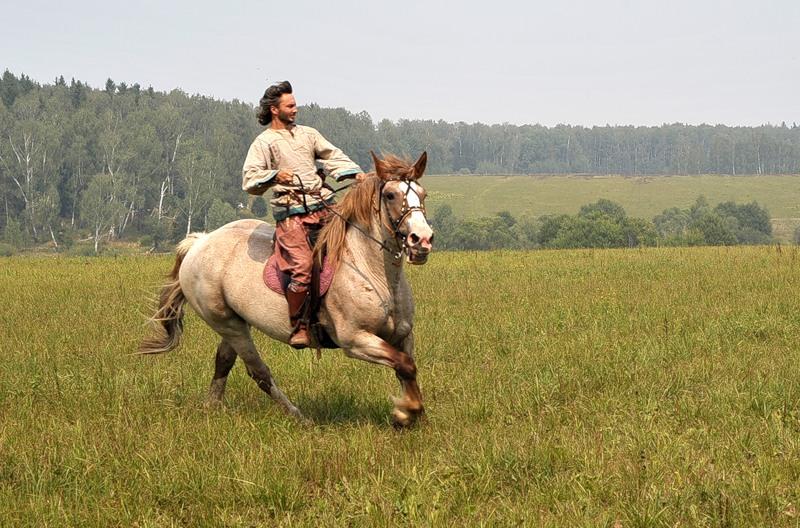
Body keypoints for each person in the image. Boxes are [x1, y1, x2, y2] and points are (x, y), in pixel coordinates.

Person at [242, 81, 365, 348]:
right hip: (291, 216)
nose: (296, 109)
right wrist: (274, 175)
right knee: (303, 267)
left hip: (324, 207)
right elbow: (250, 178)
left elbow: (332, 156)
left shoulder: (308, 134)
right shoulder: (264, 142)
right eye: (291, 105)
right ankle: (299, 326)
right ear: (275, 110)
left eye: (295, 104)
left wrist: (354, 172)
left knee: (356, 248)